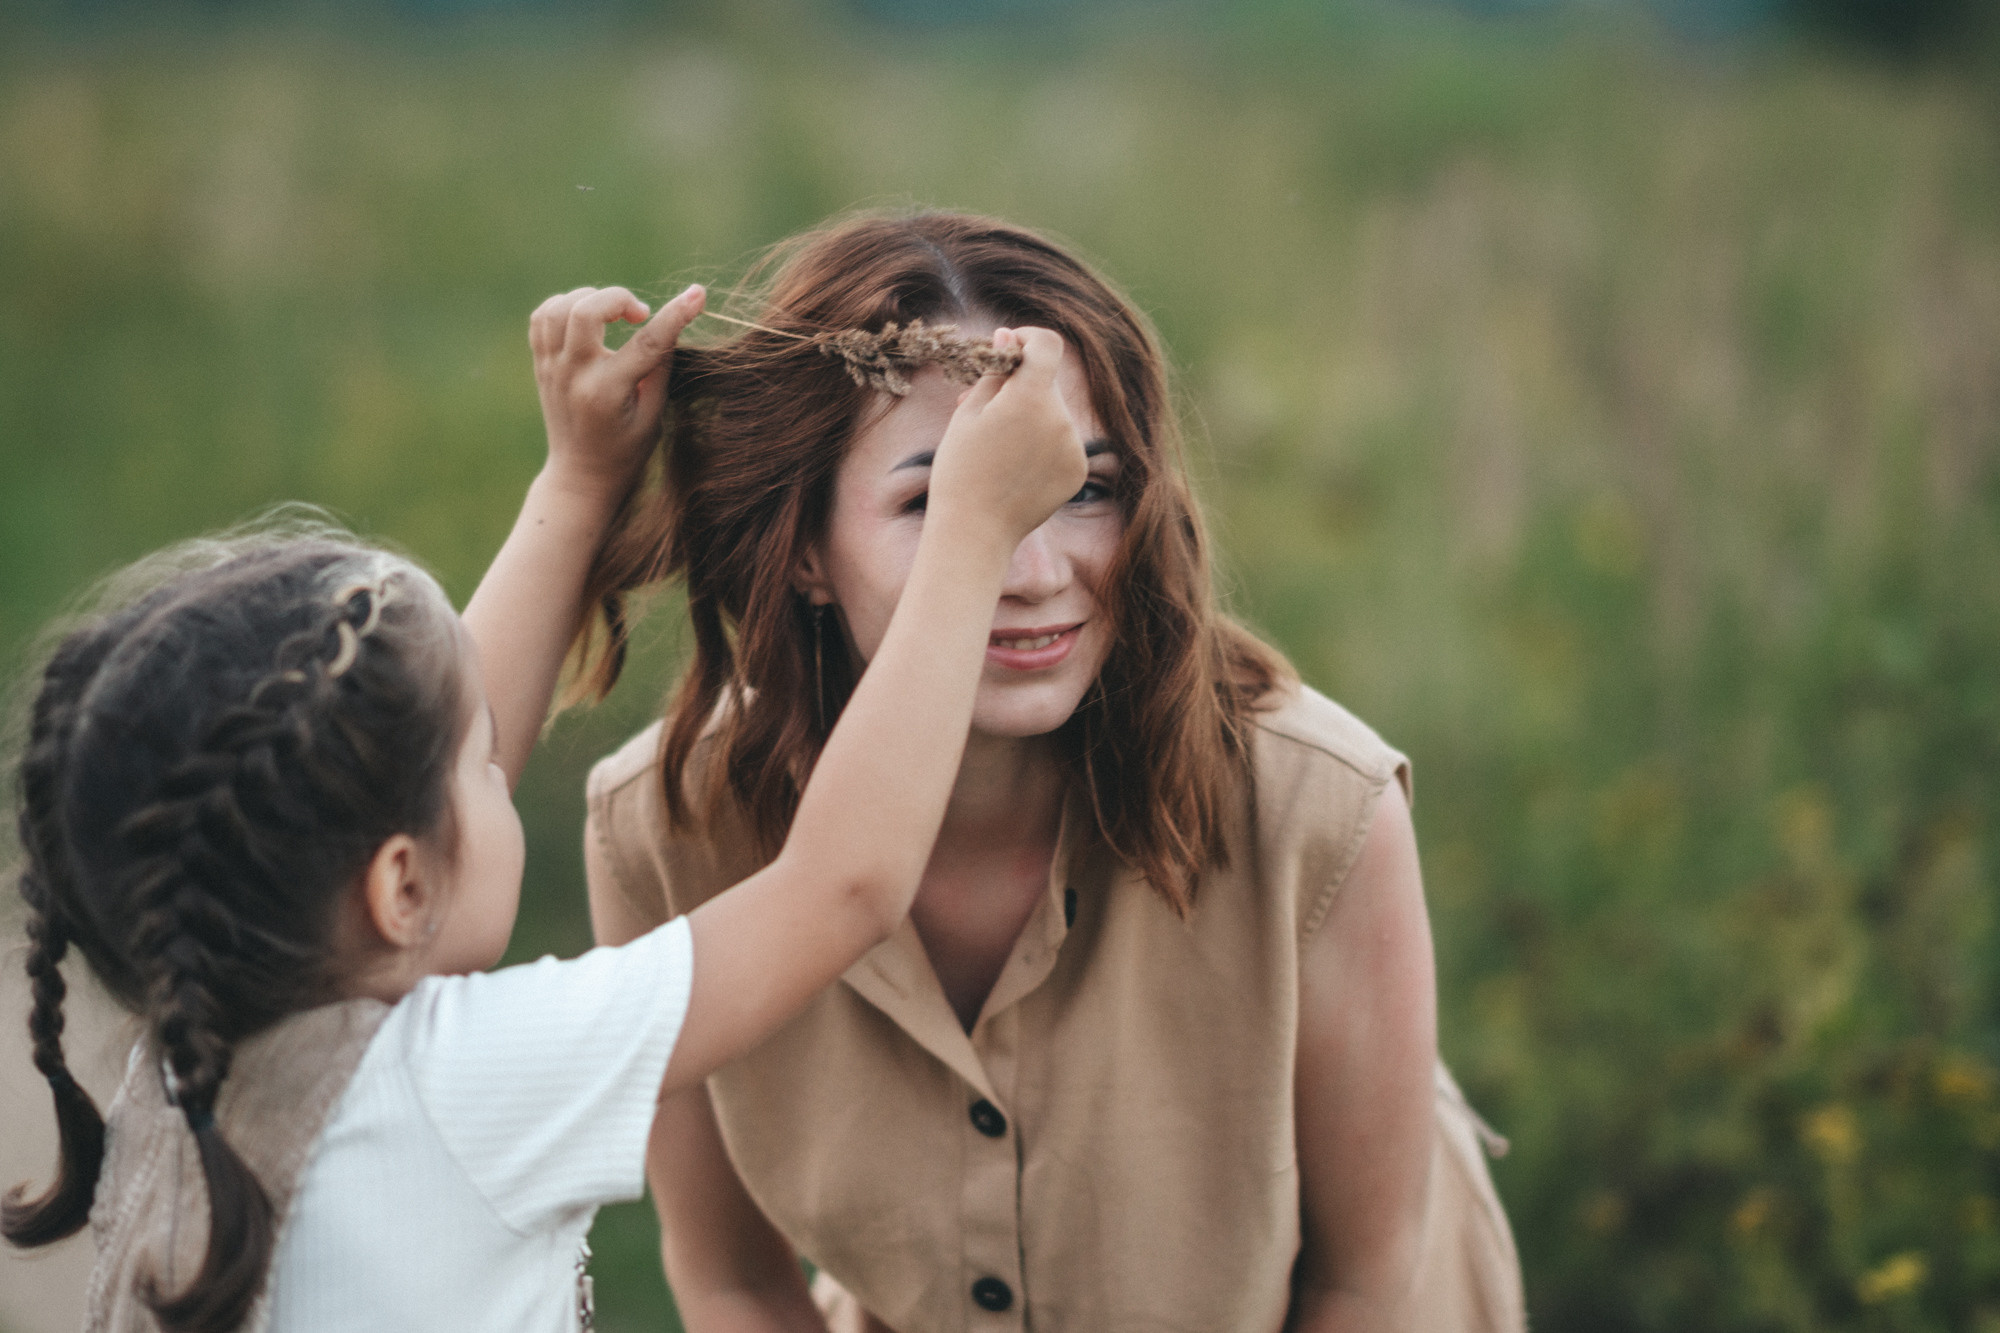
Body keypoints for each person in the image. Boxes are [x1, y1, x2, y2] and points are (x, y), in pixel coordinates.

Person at [2, 281, 1087, 1333]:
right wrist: (971, 529)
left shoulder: (187, 1070)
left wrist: (579, 483)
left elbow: (413, 760)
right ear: (399, 885)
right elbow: (840, 885)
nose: (500, 759)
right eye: (484, 766)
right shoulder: (460, 1086)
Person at [580, 211, 1528, 1333]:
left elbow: (1361, 1286)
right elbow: (733, 1280)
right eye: (937, 501)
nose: (1029, 570)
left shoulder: (1320, 806)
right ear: (802, 553)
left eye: (1082, 487)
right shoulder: (664, 830)